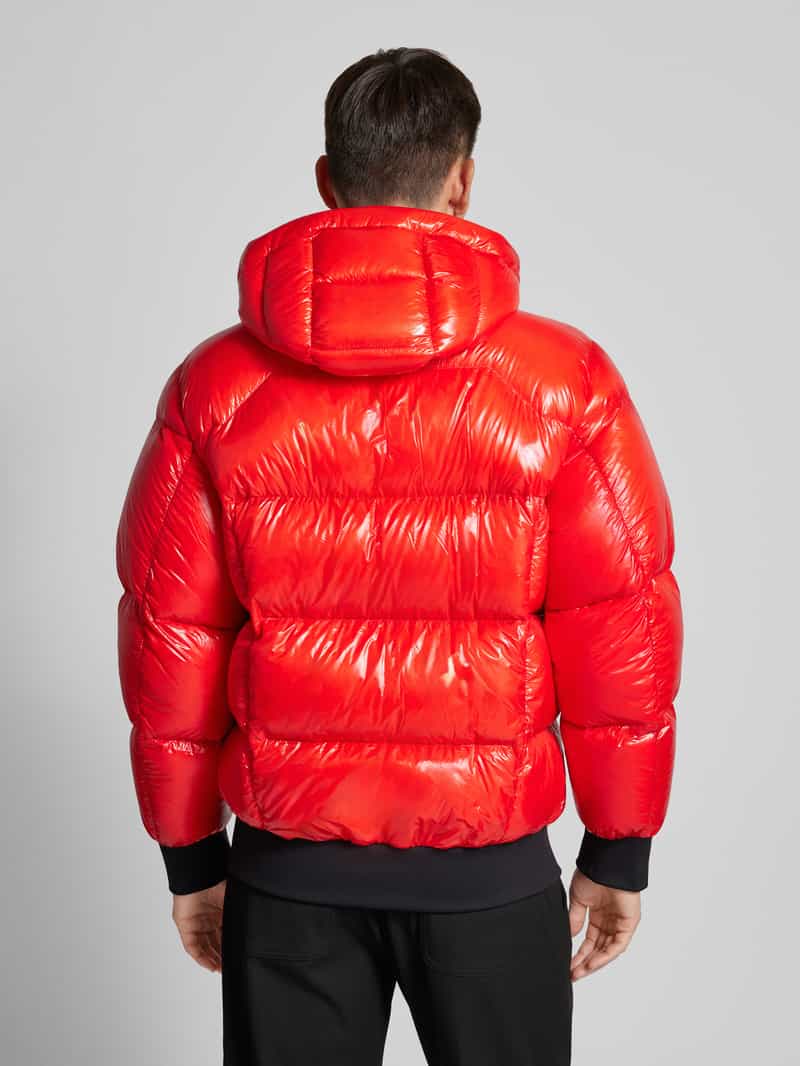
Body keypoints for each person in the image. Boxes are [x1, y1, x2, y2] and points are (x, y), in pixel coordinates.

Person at [115, 46, 683, 1066]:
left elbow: (172, 633)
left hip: (288, 878)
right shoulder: (565, 381)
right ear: (460, 180)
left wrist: (191, 854)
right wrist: (618, 846)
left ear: (327, 182)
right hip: (488, 875)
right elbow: (620, 624)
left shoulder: (214, 387)